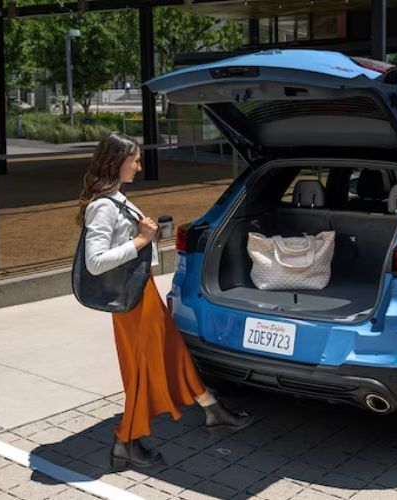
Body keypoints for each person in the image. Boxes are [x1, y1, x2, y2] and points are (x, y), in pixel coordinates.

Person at [77, 132, 252, 469]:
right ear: (117, 161)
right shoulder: (102, 206)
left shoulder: (116, 199)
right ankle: (125, 440)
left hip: (143, 293)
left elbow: (132, 240)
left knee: (171, 350)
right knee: (143, 369)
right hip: (130, 302)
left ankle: (211, 407)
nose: (140, 167)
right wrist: (142, 240)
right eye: (135, 160)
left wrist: (151, 236)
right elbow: (94, 261)